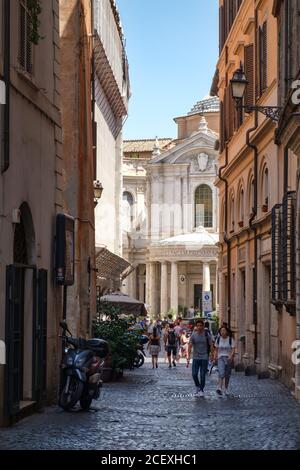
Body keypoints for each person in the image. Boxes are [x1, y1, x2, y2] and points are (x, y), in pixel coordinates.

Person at [187, 319, 212, 397]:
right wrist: (188, 355)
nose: (199, 327)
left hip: (204, 357)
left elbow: (211, 345)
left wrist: (212, 355)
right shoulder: (193, 335)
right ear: (196, 327)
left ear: (203, 326)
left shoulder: (207, 335)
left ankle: (201, 390)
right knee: (194, 374)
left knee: (202, 375)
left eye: (201, 325)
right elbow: (190, 345)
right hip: (196, 357)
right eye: (198, 326)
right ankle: (198, 386)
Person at [214, 326, 235, 396]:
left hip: (228, 358)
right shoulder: (218, 339)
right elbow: (216, 349)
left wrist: (231, 356)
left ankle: (226, 389)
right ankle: (219, 388)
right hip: (220, 358)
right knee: (221, 372)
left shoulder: (230, 339)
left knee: (227, 375)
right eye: (221, 331)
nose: (222, 332)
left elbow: (233, 349)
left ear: (227, 332)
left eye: (224, 331)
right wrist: (215, 357)